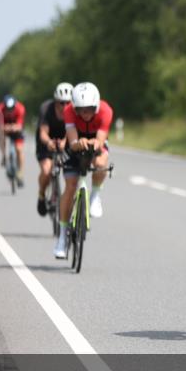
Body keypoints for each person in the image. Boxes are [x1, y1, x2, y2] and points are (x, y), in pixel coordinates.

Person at [53, 82, 113, 259]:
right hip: (76, 143)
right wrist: (77, 144)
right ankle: (62, 236)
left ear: (96, 106)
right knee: (70, 186)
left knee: (101, 162)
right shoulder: (69, 111)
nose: (85, 114)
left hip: (96, 141)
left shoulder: (106, 111)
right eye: (81, 110)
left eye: (89, 109)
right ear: (75, 107)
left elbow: (101, 139)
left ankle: (95, 196)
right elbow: (71, 139)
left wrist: (96, 144)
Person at [35, 83, 74, 216]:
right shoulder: (47, 109)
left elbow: (73, 130)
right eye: (61, 103)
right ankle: (41, 195)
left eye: (68, 103)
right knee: (46, 170)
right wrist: (48, 142)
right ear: (55, 101)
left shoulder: (75, 110)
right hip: (46, 141)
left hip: (66, 139)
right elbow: (43, 133)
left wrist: (65, 141)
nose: (64, 106)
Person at [0, 94, 26, 187]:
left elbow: (20, 125)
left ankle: (20, 173)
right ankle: (4, 155)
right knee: (0, 136)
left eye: (11, 109)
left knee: (19, 150)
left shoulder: (20, 108)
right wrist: (3, 128)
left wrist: (14, 127)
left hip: (16, 129)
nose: (9, 111)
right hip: (4, 127)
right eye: (8, 109)